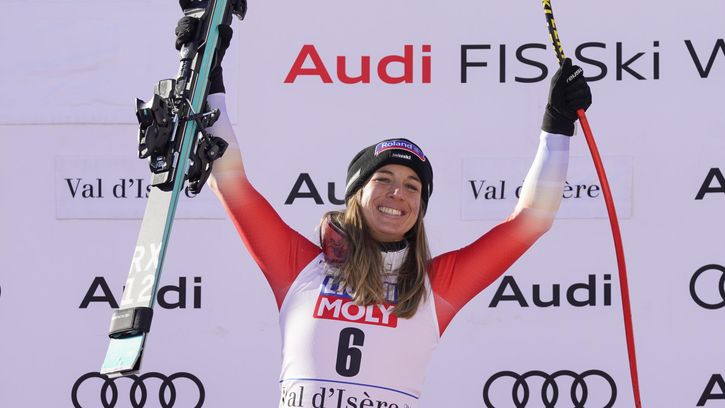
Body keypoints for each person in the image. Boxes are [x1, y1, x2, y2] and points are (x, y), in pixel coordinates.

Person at [177, 10, 591, 408]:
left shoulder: (435, 286)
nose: (398, 194)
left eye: (412, 187)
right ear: (356, 193)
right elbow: (229, 180)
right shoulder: (300, 268)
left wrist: (556, 125)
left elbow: (533, 218)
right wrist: (208, 74)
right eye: (384, 179)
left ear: (420, 208)